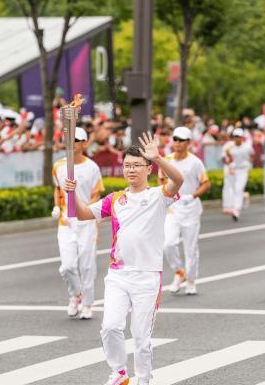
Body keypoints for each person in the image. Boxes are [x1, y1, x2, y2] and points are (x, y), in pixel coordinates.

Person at [62, 132, 184, 385]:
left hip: (147, 276)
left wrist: (158, 157)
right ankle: (119, 372)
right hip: (118, 275)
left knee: (140, 337)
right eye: (127, 165)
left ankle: (143, 380)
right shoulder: (116, 199)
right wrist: (71, 194)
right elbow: (82, 214)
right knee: (110, 327)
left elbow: (178, 180)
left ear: (148, 169)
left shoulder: (158, 196)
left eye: (137, 165)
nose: (131, 170)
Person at [52, 127, 104, 319]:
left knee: (87, 265)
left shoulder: (92, 168)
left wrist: (83, 211)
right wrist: (58, 206)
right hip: (66, 222)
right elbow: (58, 189)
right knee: (67, 266)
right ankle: (76, 294)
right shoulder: (58, 166)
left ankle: (88, 304)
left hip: (86, 221)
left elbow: (96, 195)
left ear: (83, 143)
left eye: (75, 140)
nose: (71, 144)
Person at [160, 127, 210, 295]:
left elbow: (206, 183)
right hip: (173, 209)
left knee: (191, 248)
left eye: (182, 140)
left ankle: (191, 280)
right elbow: (161, 182)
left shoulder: (195, 162)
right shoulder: (166, 160)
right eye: (175, 139)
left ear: (188, 143)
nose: (178, 143)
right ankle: (178, 272)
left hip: (191, 209)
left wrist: (193, 196)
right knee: (168, 244)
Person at [221, 128, 254, 221]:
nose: (237, 139)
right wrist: (230, 166)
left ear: (242, 137)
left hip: (243, 170)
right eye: (235, 137)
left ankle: (236, 210)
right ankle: (243, 197)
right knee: (233, 189)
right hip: (233, 171)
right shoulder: (229, 148)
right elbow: (225, 159)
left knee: (239, 189)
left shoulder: (247, 147)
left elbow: (252, 156)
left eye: (239, 137)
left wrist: (249, 165)